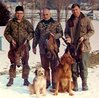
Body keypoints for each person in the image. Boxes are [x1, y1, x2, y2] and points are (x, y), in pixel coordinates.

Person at [64, 3, 94, 91]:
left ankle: (84, 83)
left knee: (83, 66)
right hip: (72, 47)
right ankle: (75, 83)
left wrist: (84, 37)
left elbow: (92, 31)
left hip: (83, 47)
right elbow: (66, 32)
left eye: (76, 9)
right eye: (73, 10)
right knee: (73, 66)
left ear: (79, 9)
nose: (75, 11)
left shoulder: (86, 19)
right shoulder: (69, 21)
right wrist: (68, 38)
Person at [32, 8, 63, 89]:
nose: (45, 16)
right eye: (44, 14)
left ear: (50, 14)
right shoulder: (40, 24)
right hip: (42, 49)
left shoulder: (56, 23)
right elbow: (36, 36)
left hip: (53, 49)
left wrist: (55, 36)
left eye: (47, 14)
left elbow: (61, 33)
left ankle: (55, 83)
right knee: (45, 67)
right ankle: (47, 82)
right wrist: (34, 46)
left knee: (54, 67)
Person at [4, 6, 34, 86]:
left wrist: (27, 39)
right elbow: (6, 33)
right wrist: (11, 40)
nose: (19, 15)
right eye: (18, 13)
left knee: (25, 63)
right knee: (13, 63)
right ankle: (11, 79)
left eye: (21, 13)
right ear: (15, 13)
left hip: (24, 47)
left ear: (23, 14)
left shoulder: (27, 22)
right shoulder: (11, 22)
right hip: (14, 46)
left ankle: (26, 80)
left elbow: (32, 33)